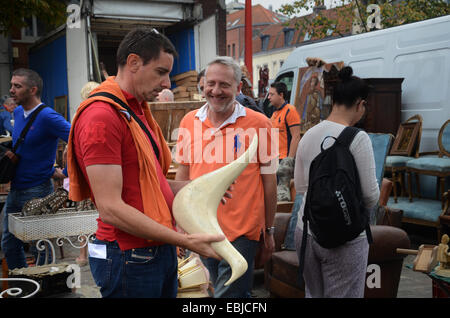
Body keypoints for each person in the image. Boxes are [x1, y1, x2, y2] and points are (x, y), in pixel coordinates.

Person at [67, 27, 225, 298]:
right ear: (133, 63)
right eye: (161, 72)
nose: (167, 84)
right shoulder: (102, 117)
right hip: (130, 256)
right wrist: (184, 240)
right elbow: (111, 208)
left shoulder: (134, 111)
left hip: (152, 250)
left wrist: (198, 187)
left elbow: (151, 183)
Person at [175, 56, 277, 298]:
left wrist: (269, 231)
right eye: (210, 84)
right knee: (202, 293)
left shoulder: (260, 124)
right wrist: (179, 226)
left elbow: (269, 182)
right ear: (202, 85)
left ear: (239, 88)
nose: (215, 91)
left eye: (224, 85)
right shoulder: (189, 122)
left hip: (241, 232)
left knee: (230, 297)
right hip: (198, 229)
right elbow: (183, 175)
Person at [294, 66, 379, 298]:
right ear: (361, 104)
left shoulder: (308, 135)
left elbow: (301, 188)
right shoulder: (358, 138)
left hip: (307, 230)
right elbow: (371, 196)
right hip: (345, 236)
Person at [1, 68, 70, 270]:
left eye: (17, 86)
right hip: (16, 189)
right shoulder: (18, 113)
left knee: (41, 247)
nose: (11, 89)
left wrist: (65, 172)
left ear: (32, 90)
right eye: (12, 85)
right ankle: (23, 282)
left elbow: (78, 139)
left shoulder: (48, 116)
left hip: (38, 190)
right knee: (9, 244)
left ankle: (43, 285)